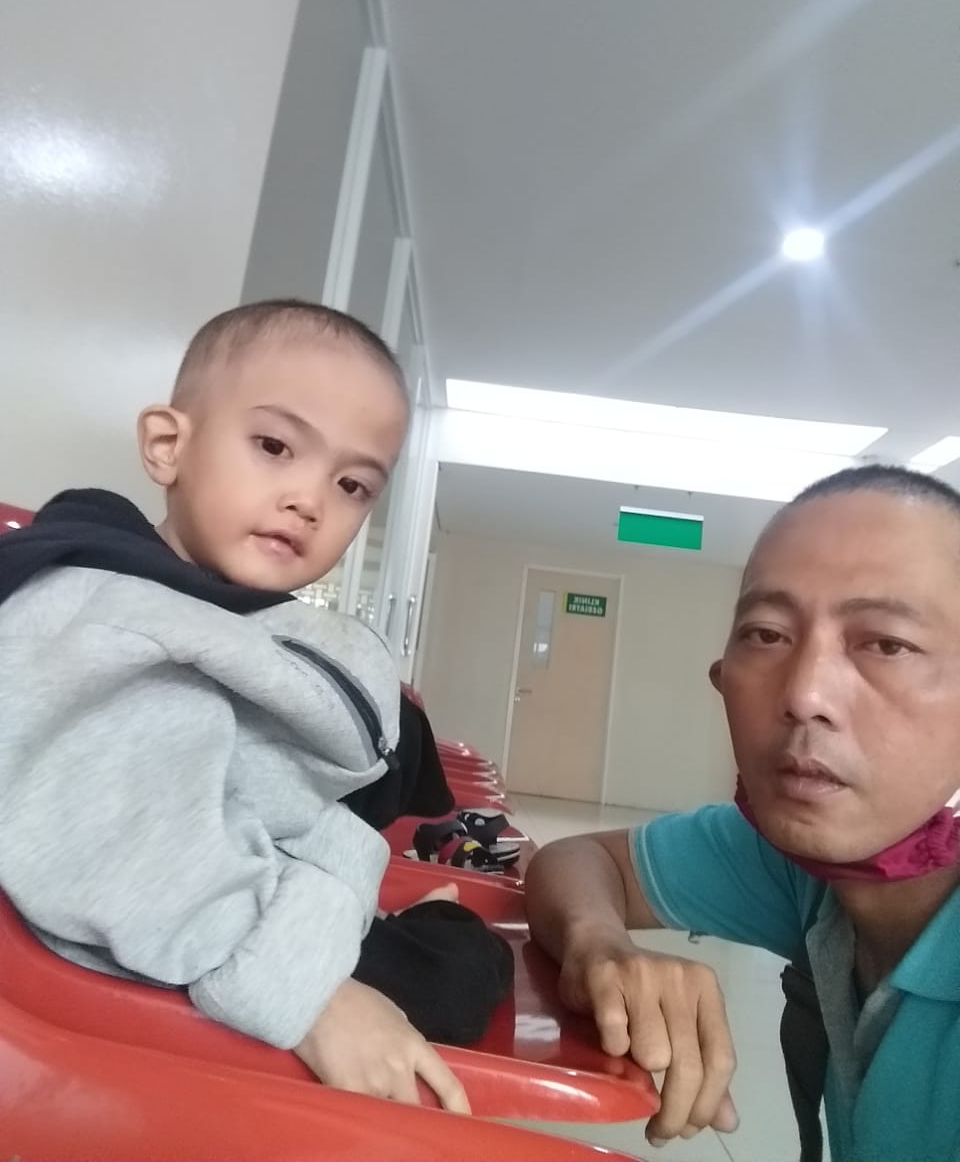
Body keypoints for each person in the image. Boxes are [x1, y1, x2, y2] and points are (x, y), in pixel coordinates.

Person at [0, 299, 497, 1112]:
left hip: (243, 896)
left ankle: (406, 919)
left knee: (465, 963)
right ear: (168, 445)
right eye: (274, 447)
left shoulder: (205, 610)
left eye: (352, 485)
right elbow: (112, 833)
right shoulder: (105, 608)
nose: (310, 499)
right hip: (175, 949)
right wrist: (310, 995)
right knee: (459, 979)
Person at [526, 464, 960, 1161]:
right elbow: (580, 860)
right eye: (766, 634)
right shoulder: (797, 868)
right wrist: (597, 943)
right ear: (720, 679)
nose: (804, 694)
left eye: (886, 644)